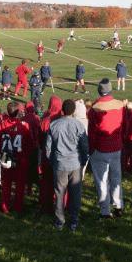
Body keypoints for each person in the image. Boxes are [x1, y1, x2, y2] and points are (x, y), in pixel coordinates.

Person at [45, 99, 88, 231]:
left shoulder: (54, 125)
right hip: (74, 163)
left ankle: (60, 220)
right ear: (73, 111)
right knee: (75, 193)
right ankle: (73, 220)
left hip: (61, 163)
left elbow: (48, 148)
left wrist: (53, 161)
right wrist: (83, 160)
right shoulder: (78, 125)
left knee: (59, 193)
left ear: (62, 110)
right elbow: (84, 146)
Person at [88, 78, 126, 218]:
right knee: (116, 177)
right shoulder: (120, 105)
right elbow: (125, 126)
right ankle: (118, 205)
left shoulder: (95, 108)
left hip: (100, 148)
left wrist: (91, 149)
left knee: (102, 181)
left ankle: (105, 210)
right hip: (116, 147)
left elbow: (91, 131)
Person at [0, 102, 35, 214]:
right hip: (20, 158)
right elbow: (30, 143)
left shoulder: (2, 125)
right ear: (18, 112)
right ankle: (18, 206)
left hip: (7, 158)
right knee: (20, 184)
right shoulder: (24, 125)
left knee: (6, 183)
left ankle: (5, 205)